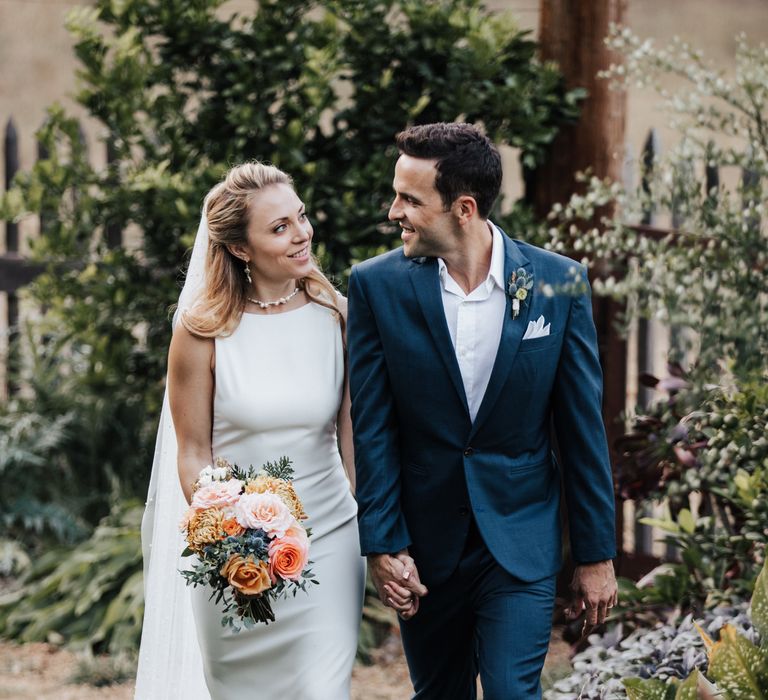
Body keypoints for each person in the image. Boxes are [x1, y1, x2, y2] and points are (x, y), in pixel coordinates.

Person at [347, 122, 618, 699]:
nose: (394, 211)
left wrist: (595, 555)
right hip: (425, 546)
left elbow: (582, 431)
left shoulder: (558, 282)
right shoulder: (375, 287)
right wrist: (383, 544)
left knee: (511, 693)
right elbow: (373, 430)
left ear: (463, 208)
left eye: (410, 199)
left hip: (520, 538)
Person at [135, 162, 365, 699]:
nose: (303, 233)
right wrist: (232, 534)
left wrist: (383, 532)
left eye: (301, 217)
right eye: (280, 227)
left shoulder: (340, 317)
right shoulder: (201, 332)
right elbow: (192, 453)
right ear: (241, 248)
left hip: (330, 544)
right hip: (236, 561)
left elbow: (354, 443)